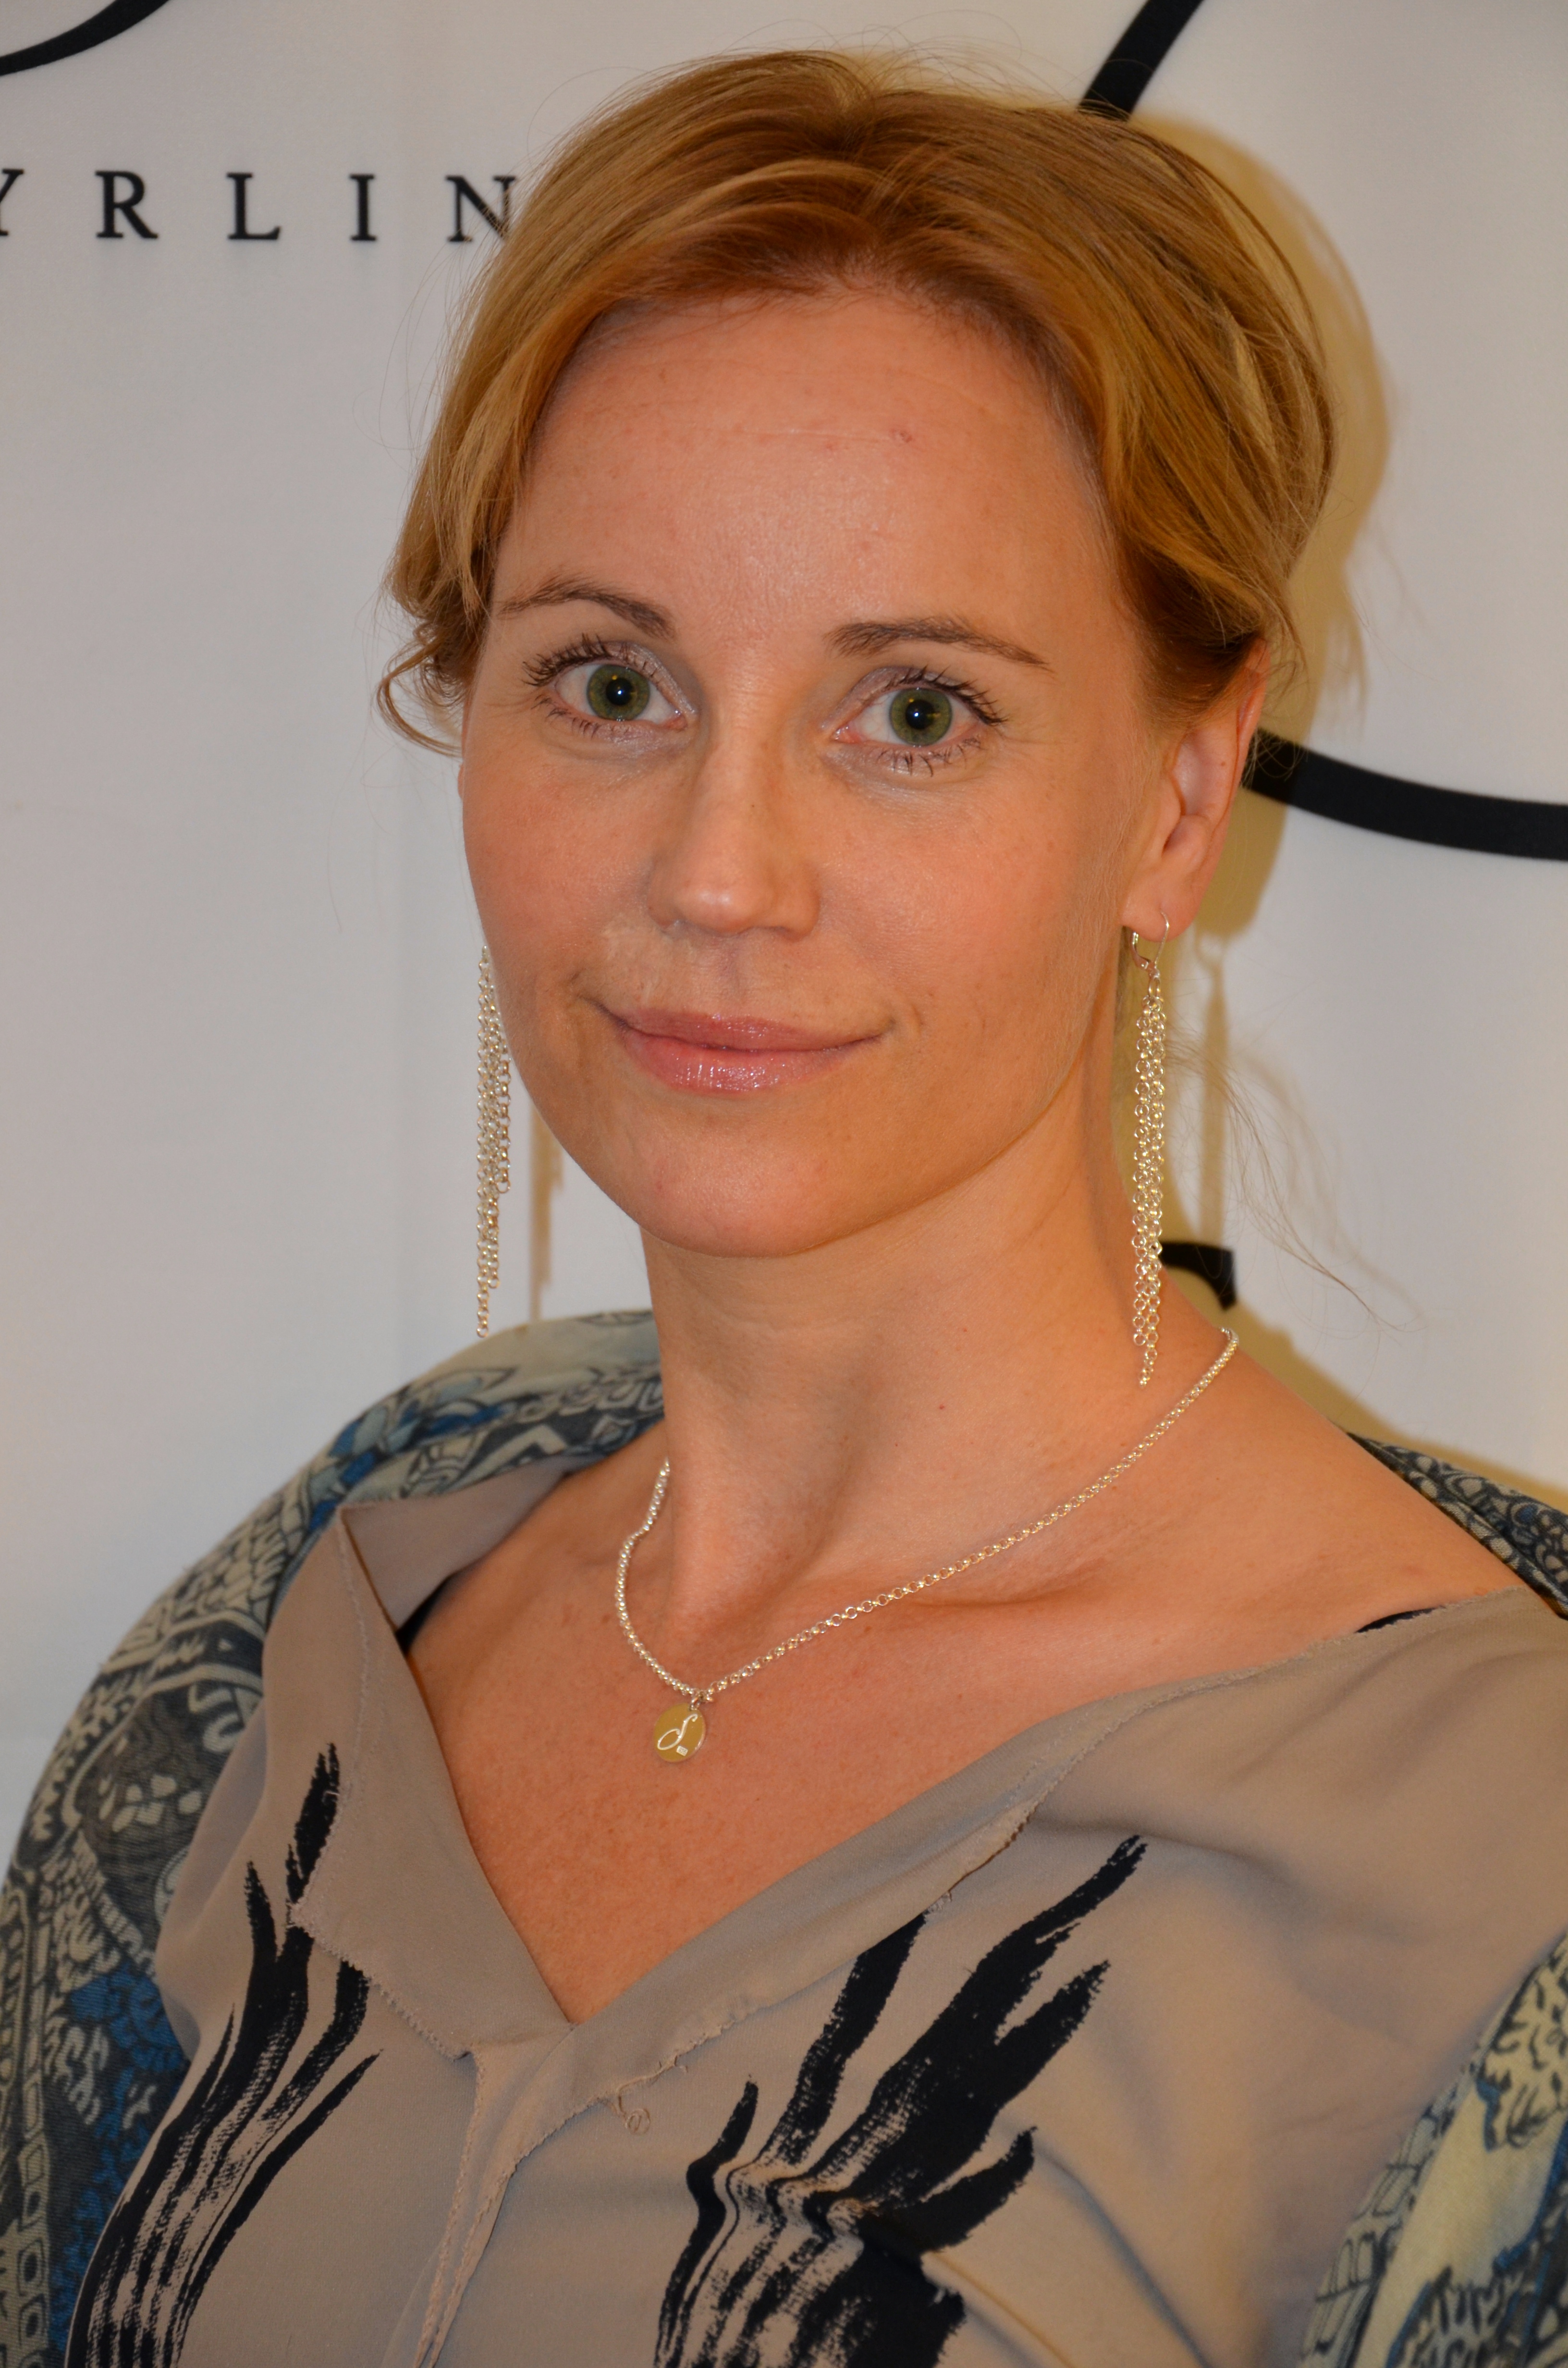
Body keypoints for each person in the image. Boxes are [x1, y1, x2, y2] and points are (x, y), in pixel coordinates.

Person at [10, 48, 1568, 2368]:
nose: (721, 871)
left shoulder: (1498, 1841)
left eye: (914, 712)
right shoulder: (312, 1617)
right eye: (612, 681)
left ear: (1177, 796)